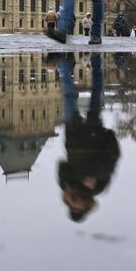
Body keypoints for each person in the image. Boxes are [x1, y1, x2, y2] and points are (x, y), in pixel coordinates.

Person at [54, 53, 120, 223]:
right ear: (87, 207)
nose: (76, 204)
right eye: (79, 208)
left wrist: (72, 185)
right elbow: (109, 162)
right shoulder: (98, 188)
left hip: (74, 138)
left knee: (69, 96)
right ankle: (97, 62)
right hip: (93, 135)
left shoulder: (66, 186)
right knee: (96, 93)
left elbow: (62, 165)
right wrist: (86, 176)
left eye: (72, 206)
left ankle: (64, 63)